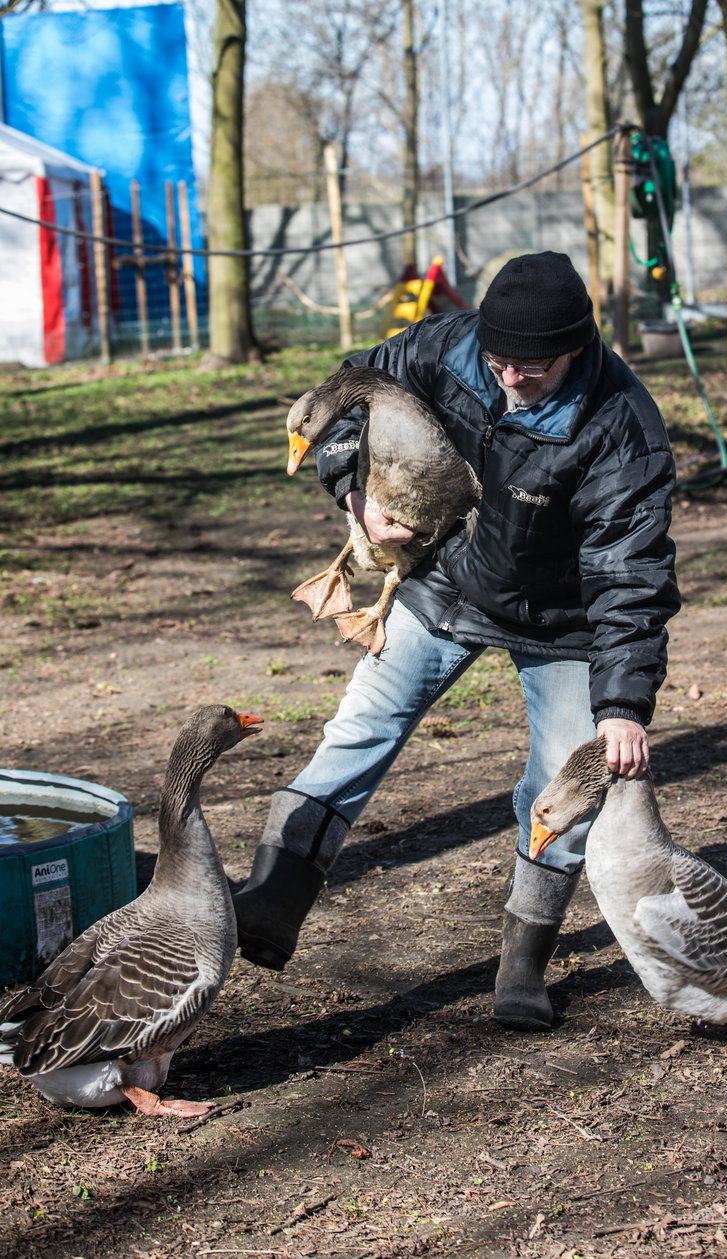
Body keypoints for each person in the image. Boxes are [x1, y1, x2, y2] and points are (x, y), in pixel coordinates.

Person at [234, 251, 681, 1030]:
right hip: (445, 579)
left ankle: (523, 961)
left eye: (532, 368)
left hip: (563, 621)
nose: (509, 378)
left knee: (560, 784)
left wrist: (621, 703)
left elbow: (630, 574)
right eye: (499, 359)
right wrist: (354, 492)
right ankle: (273, 898)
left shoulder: (621, 426)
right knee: (361, 724)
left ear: (576, 347)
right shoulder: (445, 345)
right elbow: (346, 396)